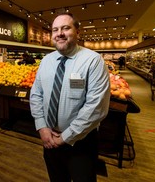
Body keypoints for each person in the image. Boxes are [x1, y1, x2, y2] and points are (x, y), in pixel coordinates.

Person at [30, 12, 111, 182]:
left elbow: (96, 107)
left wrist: (66, 137)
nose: (59, 33)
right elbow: (36, 94)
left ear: (78, 33)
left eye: (65, 28)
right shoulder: (46, 61)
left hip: (81, 142)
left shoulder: (93, 61)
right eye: (55, 29)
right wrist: (42, 127)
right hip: (49, 138)